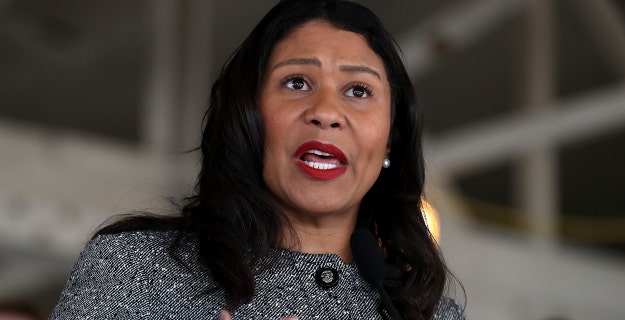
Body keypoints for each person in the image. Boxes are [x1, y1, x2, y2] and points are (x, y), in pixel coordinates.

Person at [50, 0, 466, 319]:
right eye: (297, 82)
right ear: (248, 119)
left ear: (390, 141)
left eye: (358, 91)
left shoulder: (432, 315)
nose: (326, 111)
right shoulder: (132, 272)